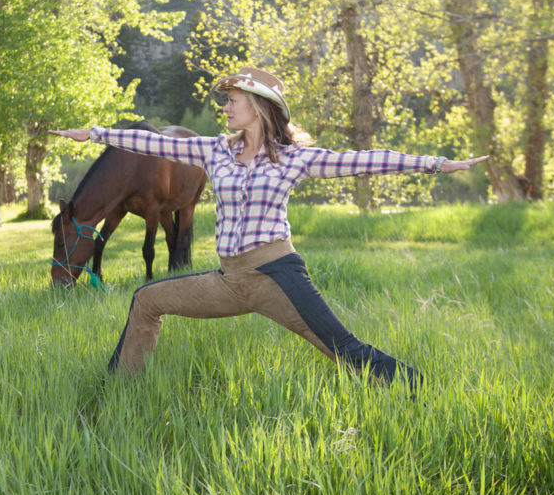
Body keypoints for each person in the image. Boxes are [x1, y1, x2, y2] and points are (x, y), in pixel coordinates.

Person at [49, 67, 488, 391]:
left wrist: (436, 164)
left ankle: (426, 389)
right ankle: (119, 392)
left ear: (257, 108)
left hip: (277, 276)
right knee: (146, 299)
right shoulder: (215, 151)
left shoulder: (295, 158)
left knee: (344, 349)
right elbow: (154, 142)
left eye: (232, 102)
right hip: (228, 279)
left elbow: (365, 159)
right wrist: (94, 133)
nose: (224, 108)